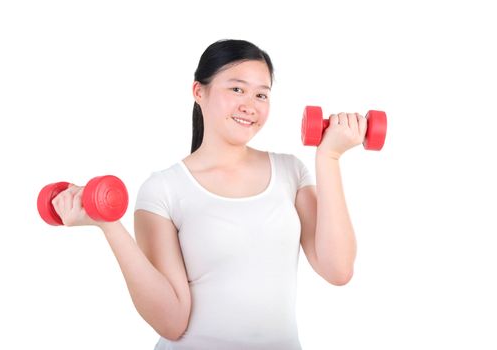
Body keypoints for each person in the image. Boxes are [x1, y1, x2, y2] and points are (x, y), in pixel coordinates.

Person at [52, 39, 367, 350]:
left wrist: (329, 158)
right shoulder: (164, 189)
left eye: (261, 94)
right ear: (198, 92)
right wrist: (109, 225)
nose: (250, 105)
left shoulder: (290, 172)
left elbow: (338, 270)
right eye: (236, 89)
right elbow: (172, 321)